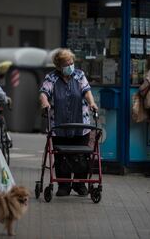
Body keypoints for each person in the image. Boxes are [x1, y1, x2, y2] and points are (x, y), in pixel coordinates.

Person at [39, 48, 98, 197]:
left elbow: (86, 90)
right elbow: (43, 93)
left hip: (80, 125)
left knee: (81, 155)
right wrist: (45, 103)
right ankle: (63, 185)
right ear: (59, 66)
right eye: (67, 64)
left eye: (71, 62)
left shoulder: (79, 75)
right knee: (61, 155)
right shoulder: (51, 77)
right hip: (59, 126)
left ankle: (80, 185)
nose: (70, 66)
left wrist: (91, 103)